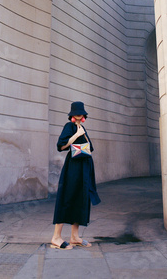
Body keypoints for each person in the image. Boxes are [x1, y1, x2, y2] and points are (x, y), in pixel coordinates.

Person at [51, 101, 101, 249]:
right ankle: (56, 237)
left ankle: (74, 236)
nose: (79, 116)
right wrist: (76, 135)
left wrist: (82, 133)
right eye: (76, 114)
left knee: (81, 198)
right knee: (67, 197)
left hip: (84, 167)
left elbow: (90, 147)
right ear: (72, 115)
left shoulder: (82, 127)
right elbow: (61, 145)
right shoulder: (69, 127)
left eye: (81, 114)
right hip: (73, 167)